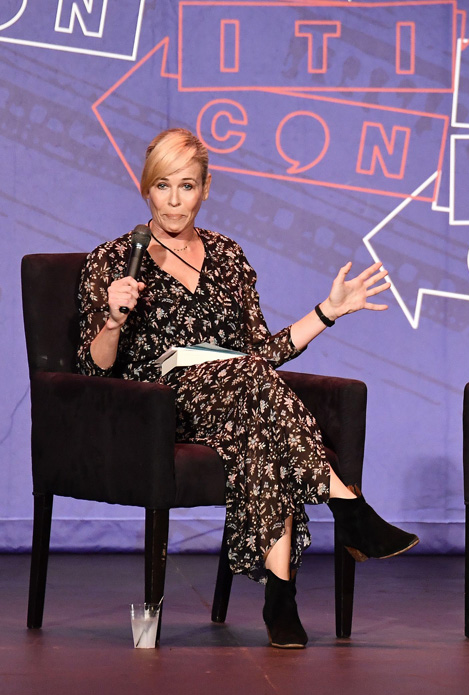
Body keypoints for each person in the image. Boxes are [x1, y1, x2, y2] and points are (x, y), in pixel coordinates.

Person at [76, 128, 418, 649]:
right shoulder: (117, 258)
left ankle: (281, 597)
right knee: (257, 387)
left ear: (205, 188)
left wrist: (328, 312)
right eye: (162, 186)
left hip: (239, 393)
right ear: (146, 189)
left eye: (186, 186)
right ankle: (345, 505)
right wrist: (113, 320)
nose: (173, 200)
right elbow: (96, 368)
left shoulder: (230, 256)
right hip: (161, 403)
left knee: (258, 413)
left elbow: (260, 352)